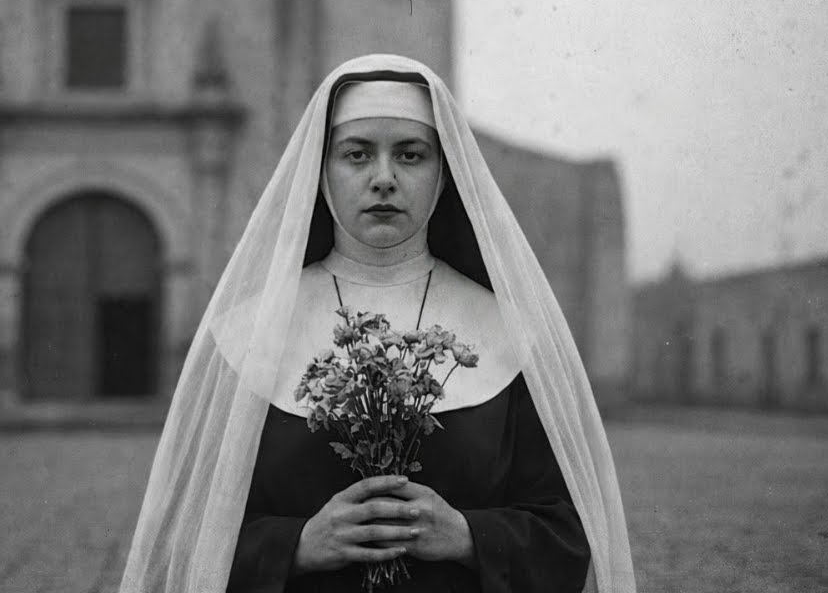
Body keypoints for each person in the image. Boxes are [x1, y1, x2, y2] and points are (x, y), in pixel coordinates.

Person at [118, 55, 636, 593]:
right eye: (357, 154)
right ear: (320, 173)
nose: (383, 178)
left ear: (444, 175)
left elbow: (570, 536)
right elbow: (182, 541)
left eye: (410, 156)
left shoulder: (511, 334)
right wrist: (296, 546)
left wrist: (466, 534)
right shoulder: (243, 335)